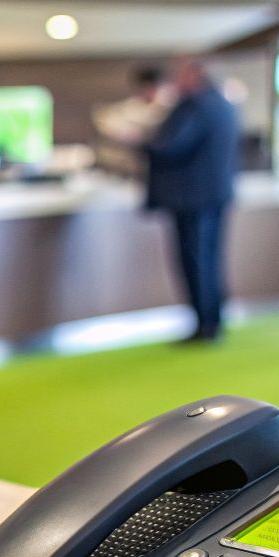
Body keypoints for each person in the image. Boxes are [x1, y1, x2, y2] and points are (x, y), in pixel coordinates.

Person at [144, 57, 240, 343]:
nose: (176, 81)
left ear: (196, 76)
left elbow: (171, 146)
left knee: (196, 261)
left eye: (181, 75)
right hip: (215, 193)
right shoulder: (224, 105)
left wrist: (139, 141)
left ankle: (205, 326)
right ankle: (213, 320)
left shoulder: (195, 106)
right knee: (210, 258)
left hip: (192, 197)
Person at [94, 65, 170, 178]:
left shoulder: (168, 108)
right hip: (129, 168)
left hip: (159, 167)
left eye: (151, 87)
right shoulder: (129, 108)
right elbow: (106, 121)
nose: (147, 91)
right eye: (144, 87)